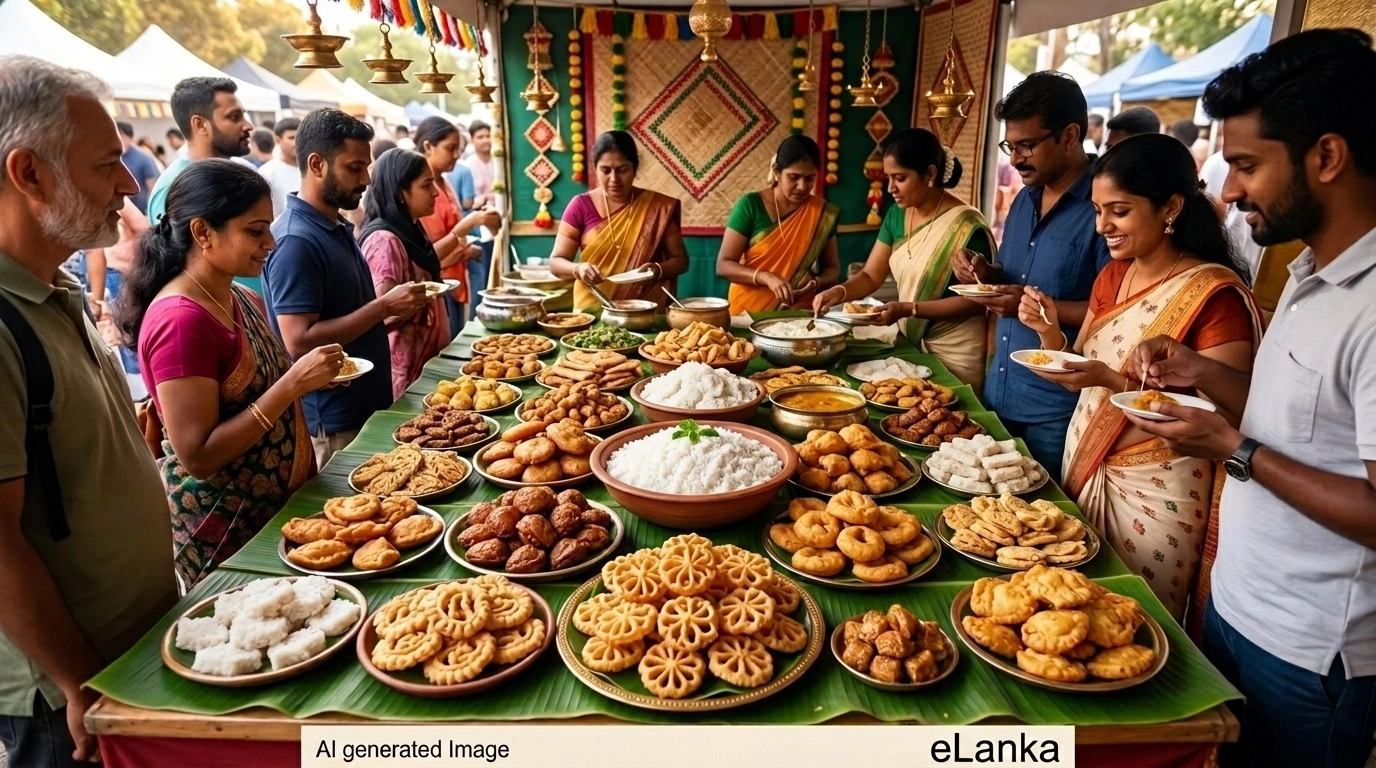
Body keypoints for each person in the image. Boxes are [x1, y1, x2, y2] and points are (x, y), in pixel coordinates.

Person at [1127, 29, 1376, 768]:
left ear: (1325, 157)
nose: (1228, 190)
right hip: (1235, 607)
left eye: (1244, 165)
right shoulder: (1307, 273)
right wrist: (1201, 373)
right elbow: (1290, 418)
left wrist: (1233, 450)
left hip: (1311, 652)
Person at [0, 56, 177, 767]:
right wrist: (77, 681)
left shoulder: (59, 288)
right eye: (108, 165)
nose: (130, 183)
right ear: (29, 174)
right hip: (66, 693)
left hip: (133, 646)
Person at [1017, 133, 1261, 619]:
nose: (1102, 225)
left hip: (1159, 487)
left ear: (1170, 207)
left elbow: (1233, 413)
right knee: (1062, 605)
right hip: (1085, 457)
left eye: (1119, 211)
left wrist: (1109, 381)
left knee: (1134, 621)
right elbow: (1081, 357)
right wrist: (1048, 334)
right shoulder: (1112, 275)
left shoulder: (1214, 296)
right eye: (1097, 210)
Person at [118, 160, 343, 588]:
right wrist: (292, 384)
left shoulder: (238, 295)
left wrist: (309, 378)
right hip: (228, 534)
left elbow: (258, 389)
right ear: (203, 233)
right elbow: (198, 455)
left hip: (280, 513)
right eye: (255, 231)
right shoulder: (180, 322)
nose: (271, 242)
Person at [954, 71, 1111, 478]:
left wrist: (1035, 305)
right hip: (1000, 392)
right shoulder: (1025, 198)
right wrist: (985, 272)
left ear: (1070, 135)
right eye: (1011, 145)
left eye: (1027, 145)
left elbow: (1113, 311)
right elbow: (1015, 274)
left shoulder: (1104, 207)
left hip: (1055, 407)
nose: (1015, 158)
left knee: (1046, 526)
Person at [261, 109, 430, 468]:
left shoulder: (333, 224)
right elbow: (300, 339)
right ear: (317, 164)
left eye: (366, 167)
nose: (366, 178)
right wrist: (384, 307)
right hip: (335, 419)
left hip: (363, 407)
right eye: (354, 168)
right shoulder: (296, 240)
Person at [813, 129, 993, 387]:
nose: (890, 188)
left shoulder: (966, 226)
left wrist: (909, 309)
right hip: (910, 341)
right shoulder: (897, 215)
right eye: (888, 178)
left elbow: (978, 301)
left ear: (930, 175)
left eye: (900, 178)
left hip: (956, 348)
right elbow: (871, 275)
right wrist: (838, 292)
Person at [549, 131, 689, 312]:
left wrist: (657, 270)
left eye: (622, 170)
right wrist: (579, 269)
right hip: (593, 311)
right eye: (606, 170)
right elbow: (556, 263)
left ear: (635, 169)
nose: (614, 179)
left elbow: (680, 260)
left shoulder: (657, 207)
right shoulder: (580, 205)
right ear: (595, 168)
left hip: (645, 311)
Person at [362, 149, 451, 398]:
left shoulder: (412, 229)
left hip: (424, 364)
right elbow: (380, 313)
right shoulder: (384, 241)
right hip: (404, 374)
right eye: (426, 185)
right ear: (401, 193)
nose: (436, 192)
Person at [717, 136, 839, 314]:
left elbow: (833, 269)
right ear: (776, 172)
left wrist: (814, 283)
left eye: (809, 178)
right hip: (748, 313)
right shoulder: (751, 205)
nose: (801, 186)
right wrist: (765, 277)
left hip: (799, 312)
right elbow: (724, 265)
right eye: (793, 177)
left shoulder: (822, 213)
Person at [413, 117, 498, 337]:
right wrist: (469, 225)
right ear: (428, 147)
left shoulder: (444, 181)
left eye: (458, 149)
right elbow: (426, 252)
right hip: (435, 285)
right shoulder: (422, 189)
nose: (457, 155)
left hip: (454, 280)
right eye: (450, 148)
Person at [146, 78, 253, 224]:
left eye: (243, 116)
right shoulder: (173, 188)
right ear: (200, 125)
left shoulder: (246, 171)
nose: (248, 126)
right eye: (234, 117)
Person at [463, 120, 499, 314]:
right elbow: (470, 201)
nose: (486, 140)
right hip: (478, 224)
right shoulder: (468, 165)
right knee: (481, 272)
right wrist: (486, 198)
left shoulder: (499, 160)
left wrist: (485, 197)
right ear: (472, 140)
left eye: (488, 136)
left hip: (498, 220)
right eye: (480, 137)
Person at [258, 117, 301, 218]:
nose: (296, 142)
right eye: (291, 138)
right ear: (278, 140)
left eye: (300, 137)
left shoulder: (312, 169)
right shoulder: (266, 173)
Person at [116, 120, 160, 214]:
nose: (117, 139)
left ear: (130, 137)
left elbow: (152, 185)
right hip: (120, 210)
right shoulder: (114, 157)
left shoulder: (143, 157)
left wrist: (150, 210)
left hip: (140, 211)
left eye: (121, 136)